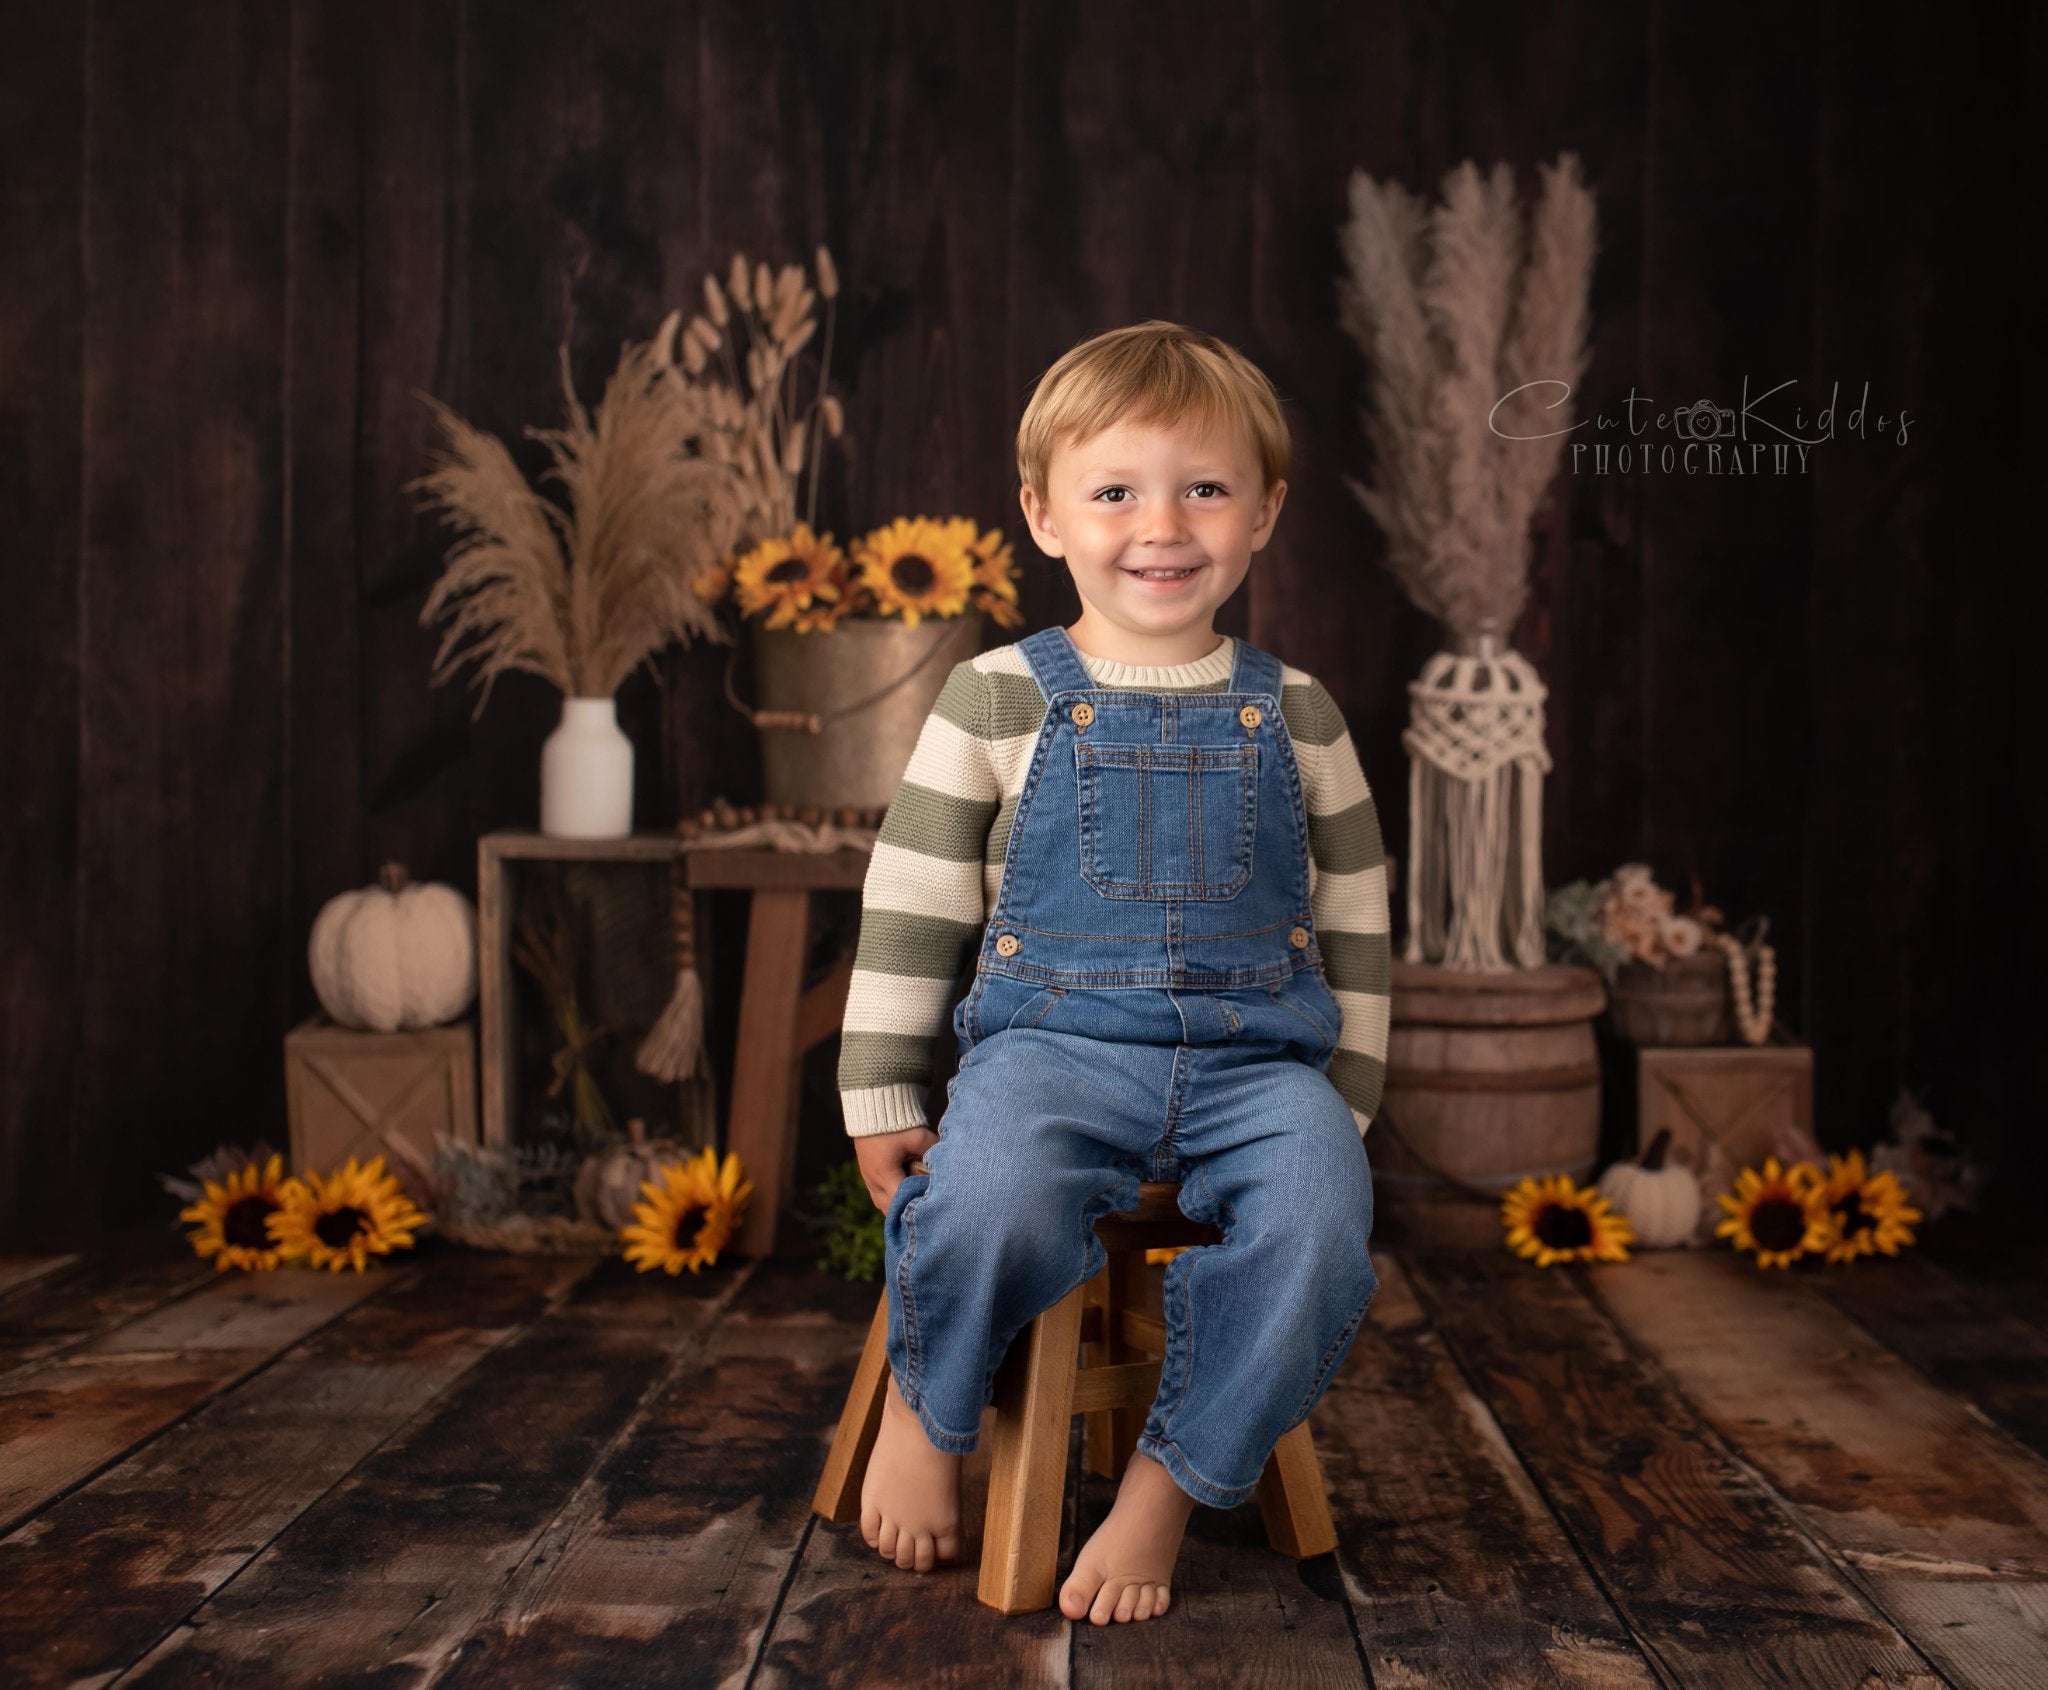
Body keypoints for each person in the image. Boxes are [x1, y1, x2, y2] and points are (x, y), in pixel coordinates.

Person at [834, 319, 1389, 1626]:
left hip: (1261, 1064)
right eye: (1117, 490)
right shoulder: (993, 697)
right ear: (1043, 512)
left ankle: (1169, 1482)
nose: (1165, 523)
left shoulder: (1298, 711)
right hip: (1055, 1049)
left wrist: (1347, 1109)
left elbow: (1360, 925)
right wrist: (880, 1092)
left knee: (1318, 1228)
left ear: (1264, 514)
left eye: (1206, 486)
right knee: (993, 1192)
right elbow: (907, 907)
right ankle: (934, 1398)